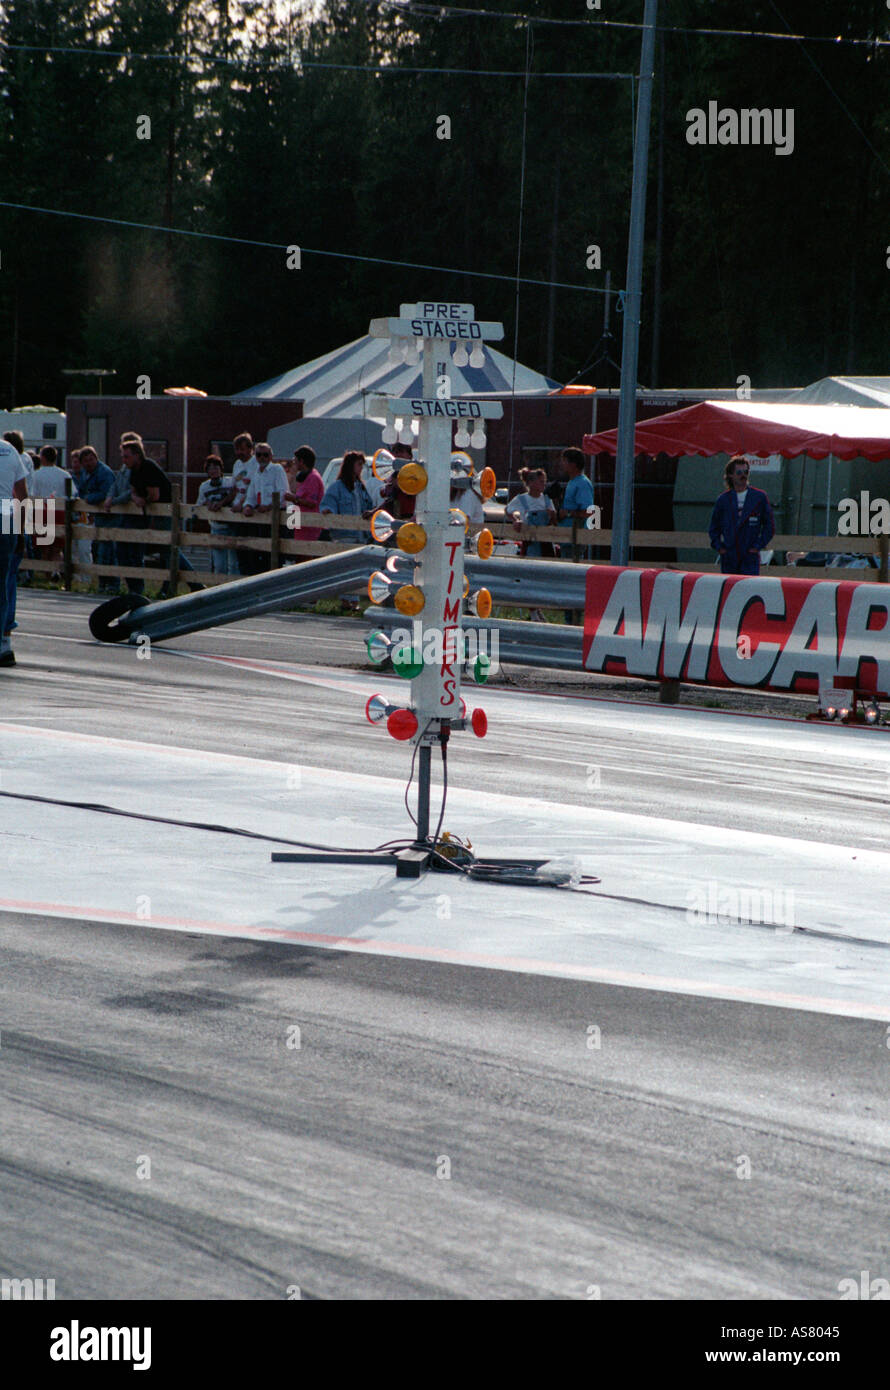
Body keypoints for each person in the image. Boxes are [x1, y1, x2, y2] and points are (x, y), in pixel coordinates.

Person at [119, 438, 198, 596]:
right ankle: (191, 584)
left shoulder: (148, 467)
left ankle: (177, 586)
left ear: (137, 455)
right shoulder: (134, 470)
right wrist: (136, 498)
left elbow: (154, 495)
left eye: (126, 456)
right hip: (154, 511)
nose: (124, 460)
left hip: (167, 509)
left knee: (168, 548)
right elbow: (133, 490)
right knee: (167, 548)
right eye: (123, 456)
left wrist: (143, 500)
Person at [708, 455, 775, 576]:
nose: (743, 475)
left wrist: (757, 546)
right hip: (730, 555)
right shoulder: (723, 500)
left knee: (749, 588)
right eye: (739, 472)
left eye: (746, 472)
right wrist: (720, 547)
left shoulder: (759, 497)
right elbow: (714, 528)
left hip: (749, 555)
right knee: (729, 589)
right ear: (730, 475)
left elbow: (769, 527)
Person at [0, 436, 28, 666]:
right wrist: (20, 529)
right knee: (3, 583)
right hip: (7, 518)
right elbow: (22, 493)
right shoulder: (9, 450)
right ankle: (3, 643)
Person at [77, 446, 117, 589]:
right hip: (97, 515)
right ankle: (103, 583)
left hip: (110, 514)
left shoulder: (104, 473)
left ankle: (111, 585)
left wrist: (89, 499)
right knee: (100, 549)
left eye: (91, 459)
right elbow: (81, 490)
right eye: (86, 461)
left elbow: (108, 493)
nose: (89, 463)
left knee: (108, 551)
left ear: (96, 458)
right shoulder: (85, 473)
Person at [28, 446, 71, 573]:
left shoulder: (36, 475)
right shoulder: (64, 474)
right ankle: (56, 573)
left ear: (42, 457)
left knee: (44, 548)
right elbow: (72, 494)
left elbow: (32, 494)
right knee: (57, 548)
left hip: (42, 511)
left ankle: (46, 575)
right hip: (58, 512)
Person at [196, 454, 238, 577]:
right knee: (220, 565)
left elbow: (236, 494)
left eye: (216, 467)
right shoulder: (204, 487)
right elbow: (199, 505)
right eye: (210, 468)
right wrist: (207, 503)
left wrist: (222, 503)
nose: (213, 470)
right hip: (216, 527)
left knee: (234, 564)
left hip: (232, 526)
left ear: (221, 469)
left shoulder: (230, 482)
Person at [321, 451, 373, 543]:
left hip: (362, 536)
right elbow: (328, 504)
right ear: (350, 465)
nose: (361, 468)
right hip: (344, 537)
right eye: (359, 464)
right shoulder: (336, 487)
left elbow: (370, 506)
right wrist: (328, 510)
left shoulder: (361, 488)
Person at [505, 468, 556, 557]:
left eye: (544, 481)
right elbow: (507, 510)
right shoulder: (521, 499)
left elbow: (553, 520)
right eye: (541, 481)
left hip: (546, 543)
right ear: (531, 483)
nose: (544, 484)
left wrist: (552, 515)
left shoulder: (547, 499)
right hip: (529, 542)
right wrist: (515, 520)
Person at [557, 447, 595, 558]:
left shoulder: (582, 483)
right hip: (567, 537)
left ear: (573, 464)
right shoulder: (572, 482)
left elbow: (589, 512)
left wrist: (567, 513)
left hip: (575, 537)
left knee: (571, 572)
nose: (562, 464)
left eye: (564, 461)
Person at [285, 445, 325, 546]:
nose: (294, 463)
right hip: (301, 525)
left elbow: (312, 503)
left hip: (310, 527)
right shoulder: (304, 477)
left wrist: (294, 499)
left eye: (296, 461)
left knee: (305, 556)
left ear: (302, 461)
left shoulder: (313, 478)